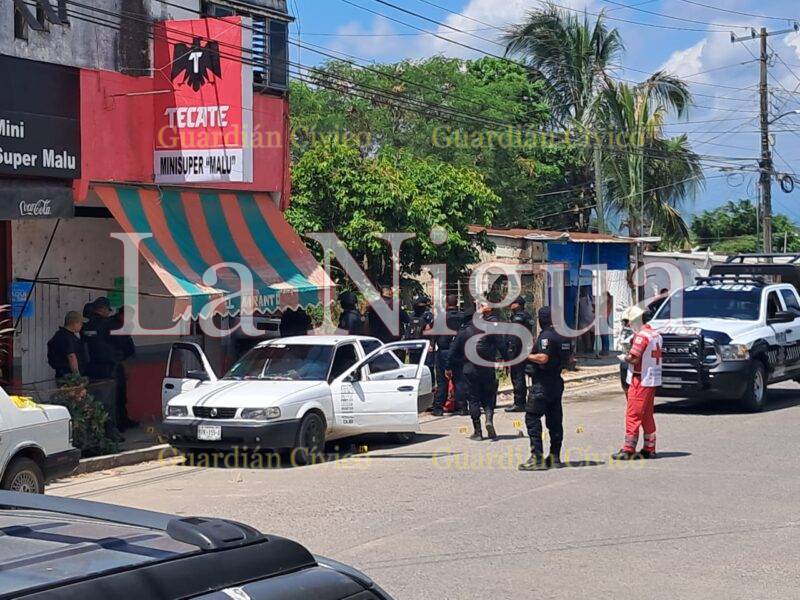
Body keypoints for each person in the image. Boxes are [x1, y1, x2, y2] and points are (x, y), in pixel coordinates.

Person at [446, 302, 508, 440]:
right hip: (487, 367)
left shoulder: (463, 332)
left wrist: (448, 367)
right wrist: (506, 360)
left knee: (473, 399)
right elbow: (501, 345)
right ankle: (489, 419)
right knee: (489, 395)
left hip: (469, 368)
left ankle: (478, 432)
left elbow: (452, 352)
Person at [519, 307, 570, 471]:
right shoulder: (562, 336)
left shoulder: (546, 336)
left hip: (542, 383)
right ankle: (555, 456)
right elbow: (570, 359)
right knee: (555, 421)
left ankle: (537, 458)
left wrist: (525, 356)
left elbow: (543, 358)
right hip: (556, 381)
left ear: (541, 319)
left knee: (532, 418)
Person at [613, 306, 662, 460]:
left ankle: (628, 449)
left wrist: (624, 358)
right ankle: (649, 447)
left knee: (633, 414)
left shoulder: (641, 337)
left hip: (640, 379)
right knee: (647, 415)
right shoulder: (655, 334)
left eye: (628, 322)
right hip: (651, 379)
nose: (627, 325)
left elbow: (634, 358)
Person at [431, 294, 465, 417]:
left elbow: (434, 334)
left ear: (446, 304)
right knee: (459, 380)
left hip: (444, 351)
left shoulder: (441, 317)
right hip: (459, 351)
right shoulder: (463, 317)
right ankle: (462, 408)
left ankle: (438, 408)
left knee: (442, 381)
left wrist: (432, 344)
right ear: (457, 303)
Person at [505, 296, 535, 413]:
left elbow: (515, 337)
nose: (510, 305)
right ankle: (526, 401)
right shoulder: (526, 316)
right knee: (524, 376)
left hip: (517, 351)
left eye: (512, 303)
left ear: (518, 305)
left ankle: (519, 403)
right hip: (525, 350)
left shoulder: (518, 318)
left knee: (517, 377)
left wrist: (511, 351)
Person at [47, 311, 88, 379]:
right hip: (69, 377)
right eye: (81, 323)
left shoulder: (60, 334)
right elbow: (71, 356)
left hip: (64, 374)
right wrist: (77, 376)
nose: (82, 326)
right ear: (75, 323)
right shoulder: (66, 337)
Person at [405, 295, 434, 369]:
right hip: (415, 346)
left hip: (423, 345)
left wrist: (431, 344)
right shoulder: (412, 316)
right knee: (415, 368)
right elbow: (408, 330)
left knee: (426, 368)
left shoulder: (428, 316)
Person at [578, 288, 596, 355]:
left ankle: (589, 348)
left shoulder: (589, 299)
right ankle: (589, 348)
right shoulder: (585, 299)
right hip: (586, 318)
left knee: (589, 333)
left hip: (589, 318)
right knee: (588, 334)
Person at [601, 291, 614, 356]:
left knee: (604, 336)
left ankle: (605, 350)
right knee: (603, 335)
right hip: (604, 318)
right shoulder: (606, 303)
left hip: (604, 318)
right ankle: (604, 349)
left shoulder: (607, 303)